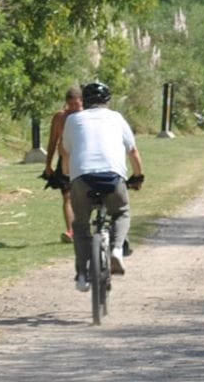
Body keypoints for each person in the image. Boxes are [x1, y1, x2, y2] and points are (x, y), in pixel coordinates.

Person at [59, 80, 145, 292]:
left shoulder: (73, 120)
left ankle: (81, 275)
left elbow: (66, 153)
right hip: (113, 177)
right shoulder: (117, 118)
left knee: (80, 225)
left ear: (84, 101)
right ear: (107, 100)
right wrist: (138, 176)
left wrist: (67, 176)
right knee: (122, 211)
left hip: (82, 179)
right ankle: (116, 249)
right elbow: (132, 152)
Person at [42, 85, 84, 243]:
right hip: (64, 160)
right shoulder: (60, 117)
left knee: (83, 196)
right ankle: (71, 230)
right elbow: (53, 141)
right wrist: (48, 164)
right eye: (71, 104)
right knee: (67, 196)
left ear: (82, 102)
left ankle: (83, 227)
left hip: (82, 160)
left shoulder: (86, 117)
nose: (74, 108)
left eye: (77, 105)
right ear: (66, 103)